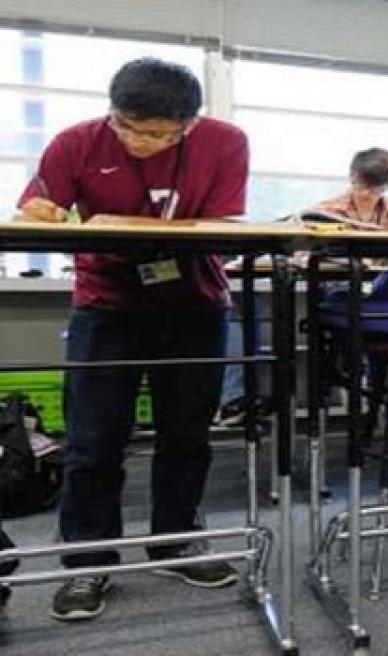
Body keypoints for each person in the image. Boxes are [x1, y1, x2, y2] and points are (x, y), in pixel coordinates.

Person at [16, 58, 249, 621]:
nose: (138, 141)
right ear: (112, 112)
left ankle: (175, 542)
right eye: (126, 126)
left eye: (156, 133)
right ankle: (87, 560)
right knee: (93, 441)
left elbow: (220, 226)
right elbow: (35, 209)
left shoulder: (225, 142)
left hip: (194, 304)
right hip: (106, 306)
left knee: (187, 436)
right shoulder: (76, 143)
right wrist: (41, 213)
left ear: (188, 125)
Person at [214, 148, 388, 427]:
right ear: (351, 177)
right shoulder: (327, 211)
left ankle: (385, 401)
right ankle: (349, 383)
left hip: (379, 292)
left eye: (376, 187)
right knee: (332, 323)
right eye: (360, 184)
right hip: (338, 290)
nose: (367, 192)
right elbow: (303, 254)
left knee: (387, 326)